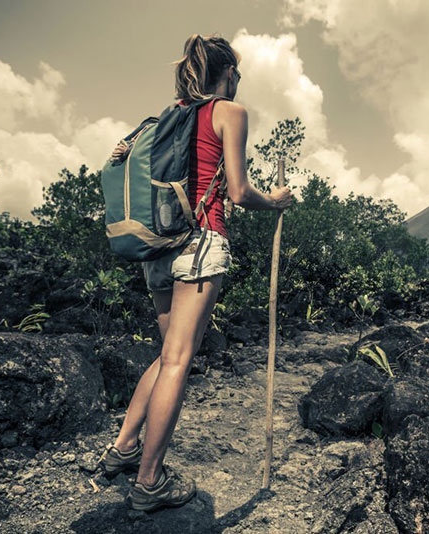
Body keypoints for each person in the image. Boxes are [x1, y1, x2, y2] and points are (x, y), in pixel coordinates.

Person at [97, 33, 294, 512]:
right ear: (227, 74)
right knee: (179, 361)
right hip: (200, 242)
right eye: (237, 73)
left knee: (167, 355)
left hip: (158, 248)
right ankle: (149, 482)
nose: (239, 80)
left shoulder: (167, 118)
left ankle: (123, 450)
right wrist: (277, 201)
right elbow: (241, 192)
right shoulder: (230, 112)